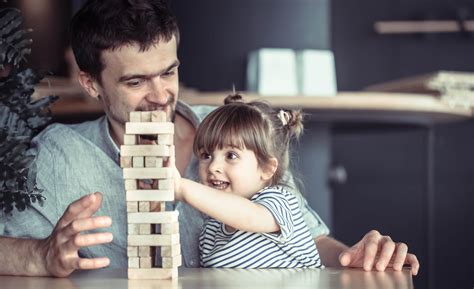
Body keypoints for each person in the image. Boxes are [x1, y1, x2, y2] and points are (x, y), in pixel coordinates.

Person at [0, 0, 419, 277]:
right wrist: (40, 255)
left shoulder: (232, 129)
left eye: (168, 71)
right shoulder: (59, 155)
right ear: (91, 84)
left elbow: (304, 239)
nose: (161, 94)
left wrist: (355, 258)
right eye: (135, 81)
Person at [173, 94, 321, 268]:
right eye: (206, 155)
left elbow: (250, 216)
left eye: (231, 155)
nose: (213, 167)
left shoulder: (280, 202)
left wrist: (182, 187)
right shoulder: (210, 231)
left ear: (267, 168)